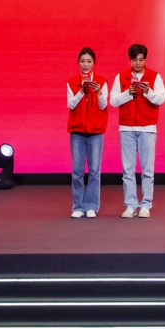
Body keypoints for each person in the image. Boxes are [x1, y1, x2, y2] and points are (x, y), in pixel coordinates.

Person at [110, 43, 165, 218]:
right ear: (130, 60)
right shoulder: (121, 77)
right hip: (126, 128)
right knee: (127, 170)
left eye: (141, 60)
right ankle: (130, 205)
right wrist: (128, 93)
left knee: (147, 170)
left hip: (147, 129)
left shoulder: (154, 77)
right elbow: (113, 101)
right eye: (134, 60)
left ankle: (146, 205)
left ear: (145, 59)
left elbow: (161, 99)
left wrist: (148, 91)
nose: (138, 63)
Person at [66, 47, 108, 218]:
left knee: (94, 170)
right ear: (78, 63)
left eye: (89, 61)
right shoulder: (71, 82)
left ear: (94, 63)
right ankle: (77, 206)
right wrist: (81, 92)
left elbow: (103, 106)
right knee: (77, 171)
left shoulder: (102, 82)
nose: (85, 64)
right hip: (77, 131)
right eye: (82, 61)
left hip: (96, 132)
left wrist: (98, 92)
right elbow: (71, 105)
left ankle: (91, 205)